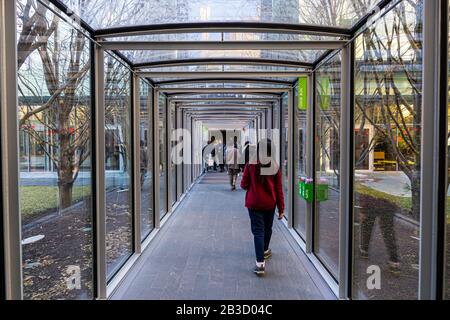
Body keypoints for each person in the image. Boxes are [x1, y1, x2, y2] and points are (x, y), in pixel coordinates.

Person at [240, 139, 285, 276]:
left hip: (254, 204)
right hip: (269, 204)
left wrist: (251, 187)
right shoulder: (275, 166)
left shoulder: (250, 165)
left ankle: (260, 264)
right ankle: (265, 250)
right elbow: (279, 190)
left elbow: (243, 184)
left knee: (258, 231)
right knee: (267, 229)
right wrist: (281, 208)